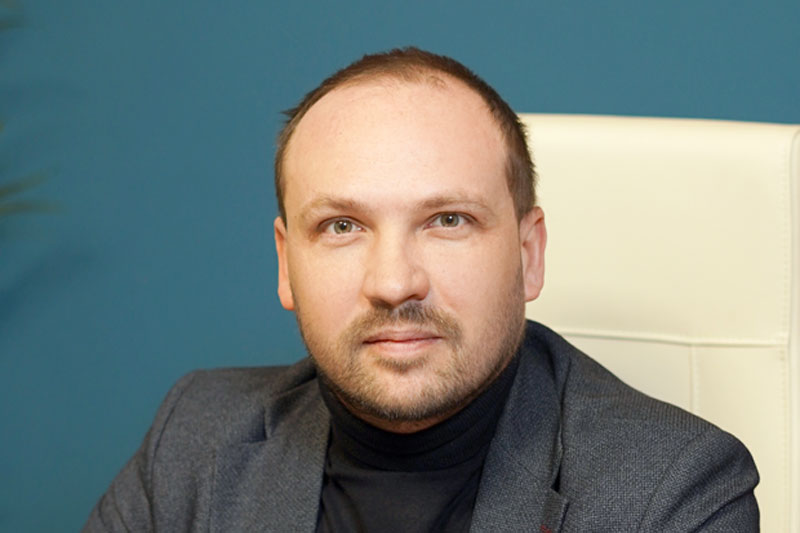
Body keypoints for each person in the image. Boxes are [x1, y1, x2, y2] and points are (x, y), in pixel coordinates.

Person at [84, 47, 759, 532]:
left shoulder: (673, 492)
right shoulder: (193, 439)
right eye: (342, 226)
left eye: (448, 221)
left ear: (528, 255)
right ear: (286, 263)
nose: (393, 282)